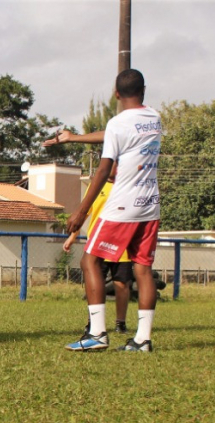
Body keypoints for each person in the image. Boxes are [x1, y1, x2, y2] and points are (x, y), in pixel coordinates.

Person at [64, 69, 161, 352]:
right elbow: (117, 134)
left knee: (89, 262)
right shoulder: (154, 118)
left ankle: (97, 334)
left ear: (116, 93)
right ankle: (142, 340)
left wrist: (81, 211)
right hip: (150, 205)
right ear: (144, 90)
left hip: (122, 206)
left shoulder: (118, 124)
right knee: (143, 269)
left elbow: (105, 168)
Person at [62, 163, 132, 335]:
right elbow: (83, 214)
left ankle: (120, 323)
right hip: (98, 243)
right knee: (95, 283)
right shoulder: (96, 187)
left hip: (122, 243)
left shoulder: (127, 187)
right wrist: (72, 237)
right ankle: (94, 321)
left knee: (121, 284)